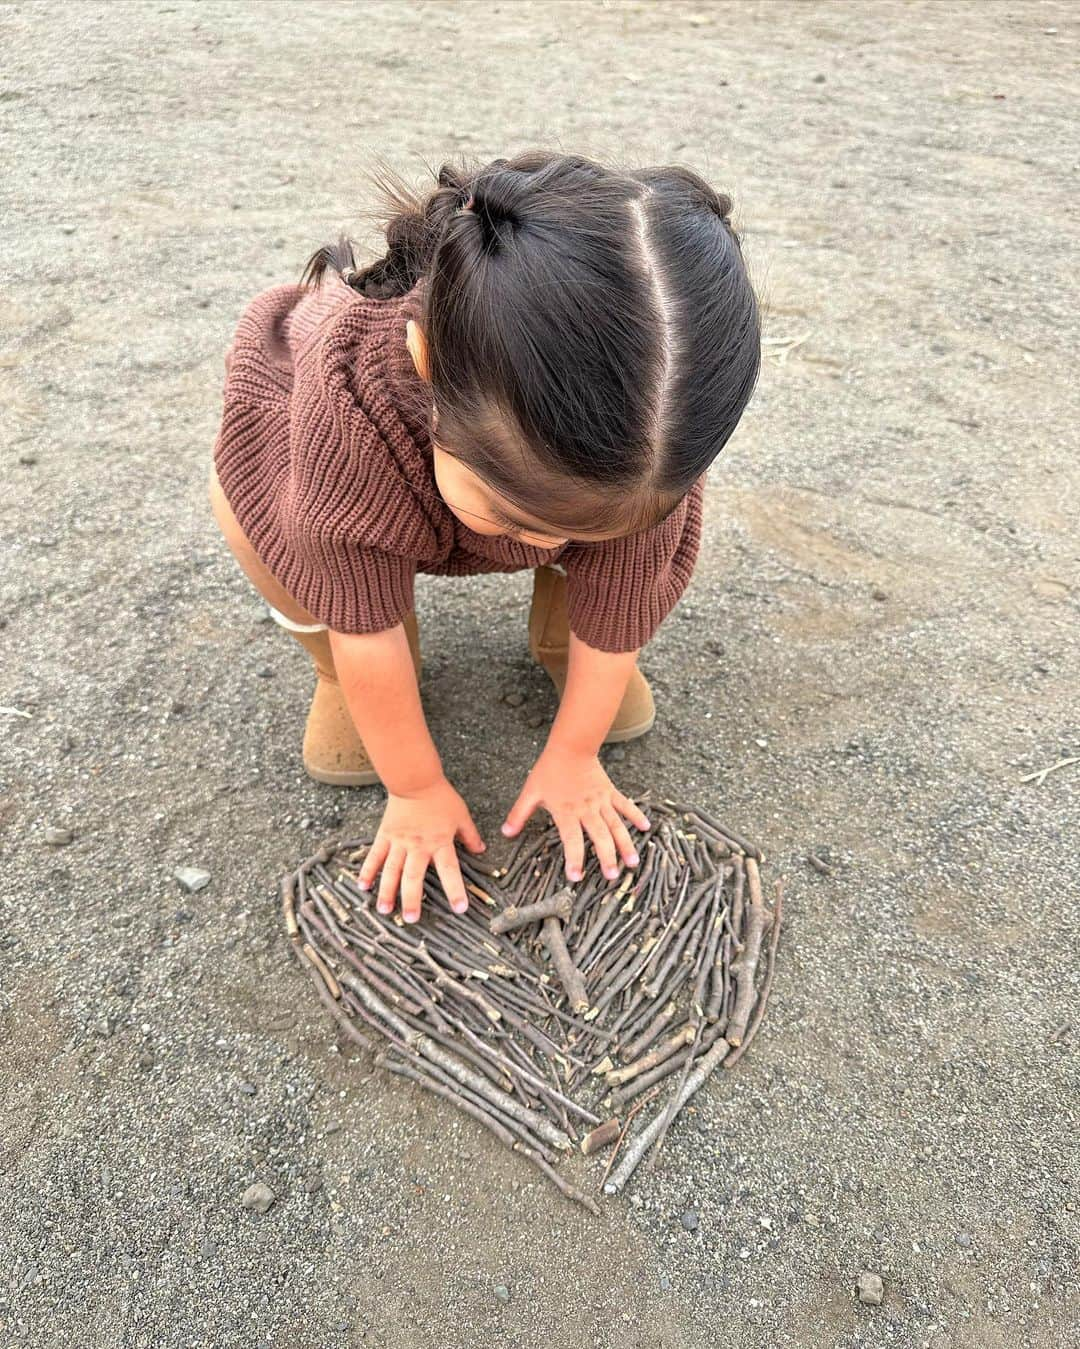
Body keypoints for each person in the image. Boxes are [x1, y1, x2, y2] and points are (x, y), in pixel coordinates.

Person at [209, 150, 760, 924]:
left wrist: (575, 752)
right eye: (515, 518)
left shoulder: (647, 439)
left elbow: (630, 579)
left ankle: (563, 635)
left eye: (569, 530)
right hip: (329, 478)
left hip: (530, 474)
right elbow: (363, 620)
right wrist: (416, 786)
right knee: (281, 539)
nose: (539, 539)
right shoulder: (347, 406)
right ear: (425, 361)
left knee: (607, 561)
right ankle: (330, 676)